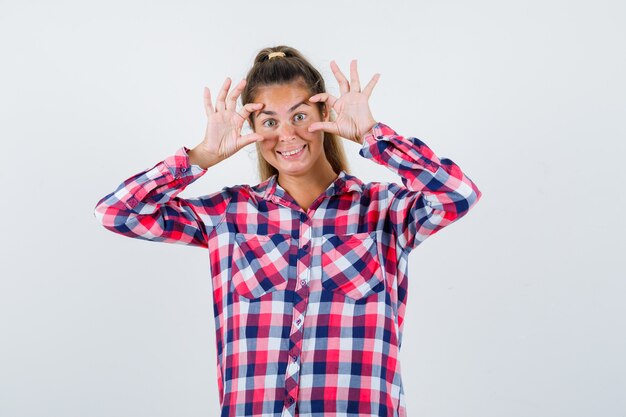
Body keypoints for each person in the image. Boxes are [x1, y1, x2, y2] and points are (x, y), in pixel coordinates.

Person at [94, 45, 482, 417]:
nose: (287, 135)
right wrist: (201, 157)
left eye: (299, 116)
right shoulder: (228, 215)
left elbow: (458, 194)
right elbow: (117, 213)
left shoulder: (384, 211)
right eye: (269, 122)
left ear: (324, 116)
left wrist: (372, 134)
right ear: (253, 130)